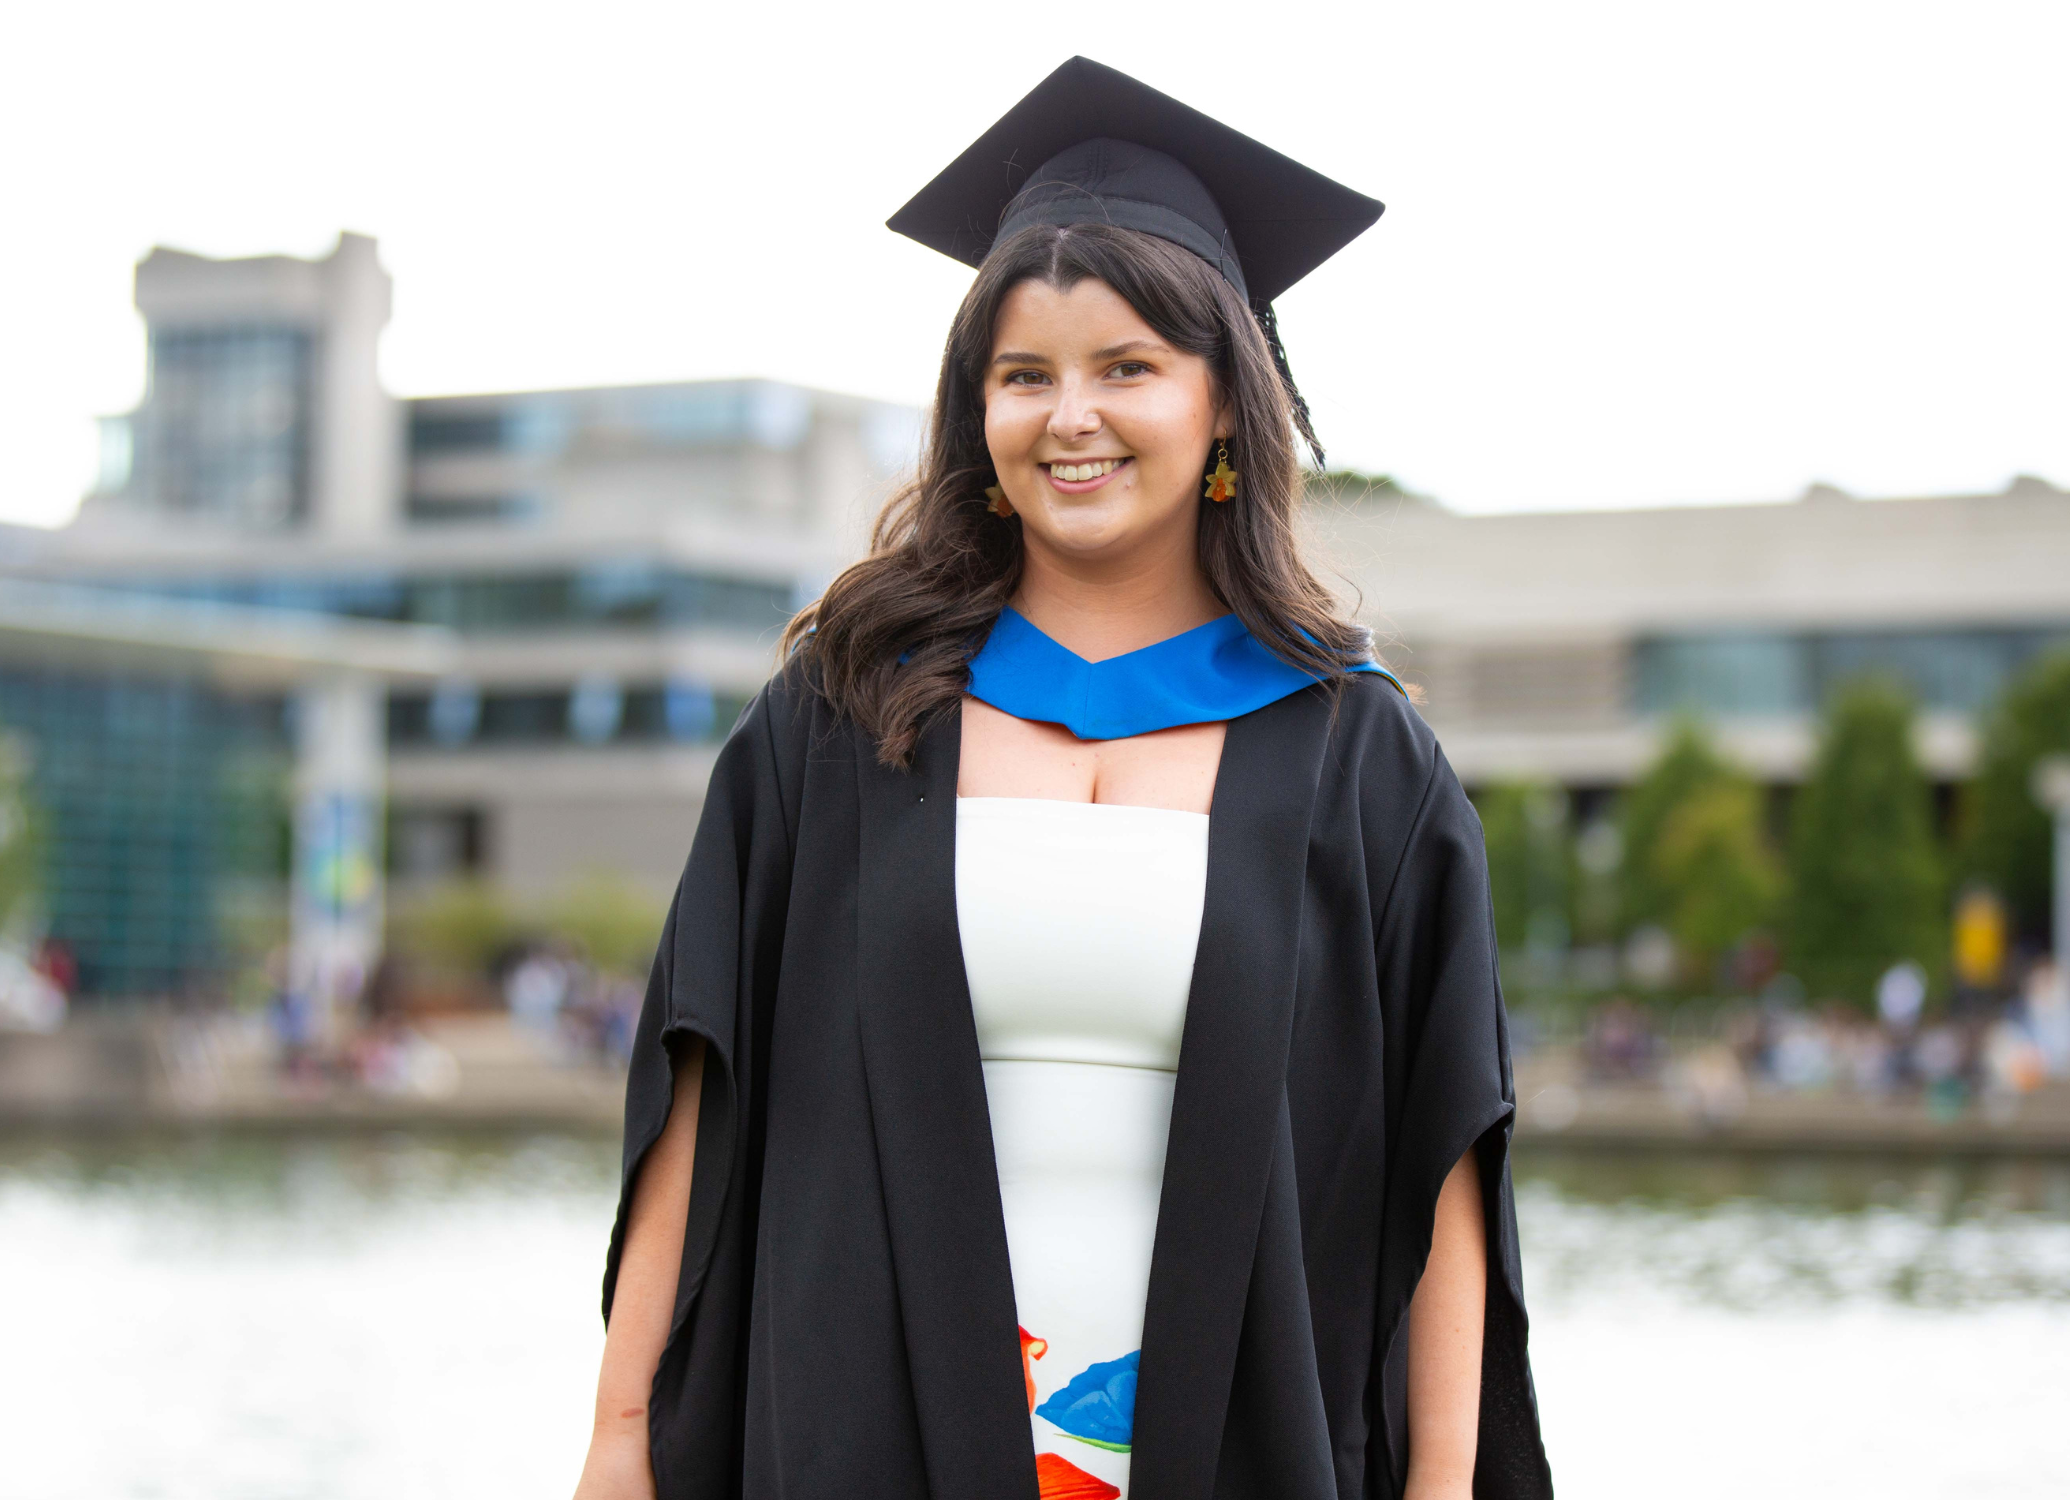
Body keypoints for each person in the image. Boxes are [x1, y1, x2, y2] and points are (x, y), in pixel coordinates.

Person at [574, 57, 1550, 1500]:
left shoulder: (1356, 757)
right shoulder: (844, 726)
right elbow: (697, 1096)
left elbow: (1443, 1158)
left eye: (1126, 368)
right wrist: (619, 1440)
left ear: (1228, 401)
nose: (1067, 417)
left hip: (1233, 1443)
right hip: (866, 1433)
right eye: (1022, 375)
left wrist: (1445, 1482)